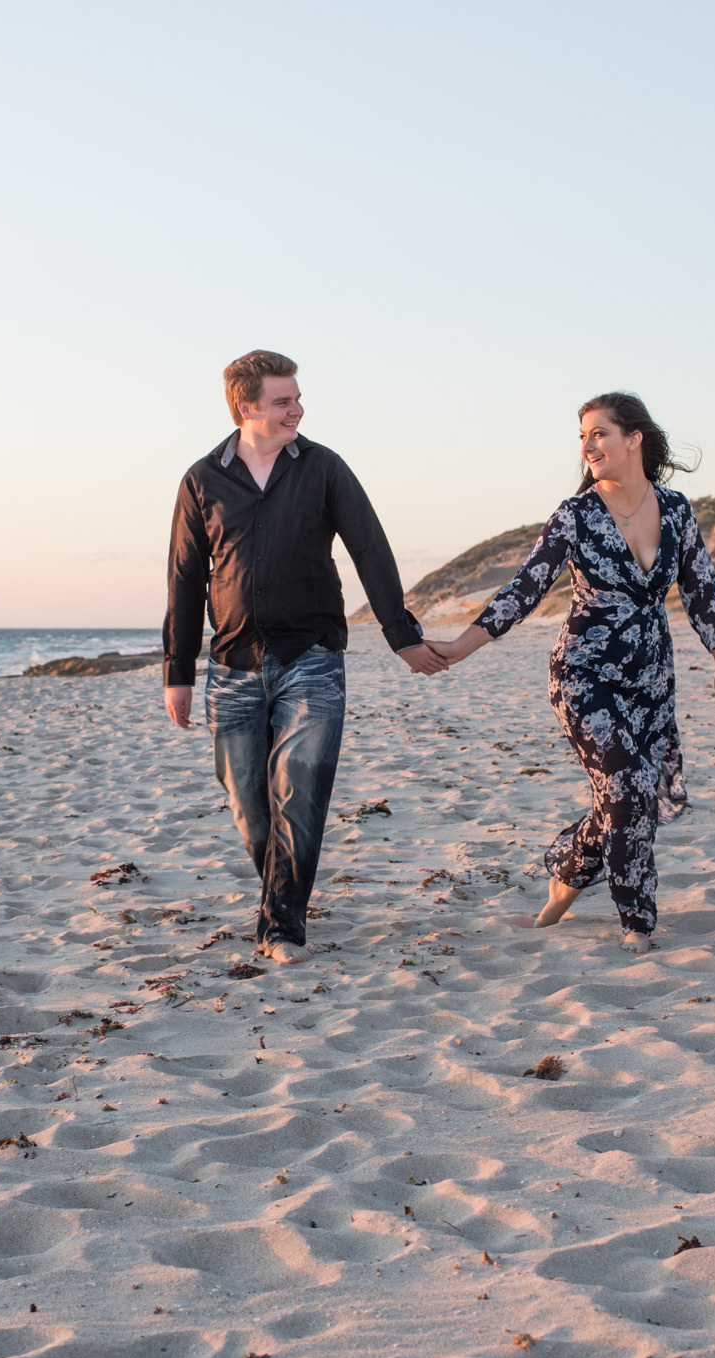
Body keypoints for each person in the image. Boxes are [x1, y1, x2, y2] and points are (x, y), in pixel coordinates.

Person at [429, 392, 715, 953]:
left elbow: (701, 591)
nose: (588, 445)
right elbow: (524, 590)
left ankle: (562, 886)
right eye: (583, 437)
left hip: (650, 680)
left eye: (600, 433)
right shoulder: (575, 516)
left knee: (627, 798)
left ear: (634, 439)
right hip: (584, 674)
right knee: (627, 788)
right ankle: (637, 925)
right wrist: (459, 647)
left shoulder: (676, 510)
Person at [163, 350, 448, 964]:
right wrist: (177, 671)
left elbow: (370, 548)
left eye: (297, 398)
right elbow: (184, 579)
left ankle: (281, 926)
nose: (298, 409)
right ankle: (282, 895)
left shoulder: (324, 468)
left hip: (313, 659)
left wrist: (401, 635)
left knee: (302, 796)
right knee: (247, 803)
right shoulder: (201, 480)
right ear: (248, 408)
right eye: (283, 401)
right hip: (232, 665)